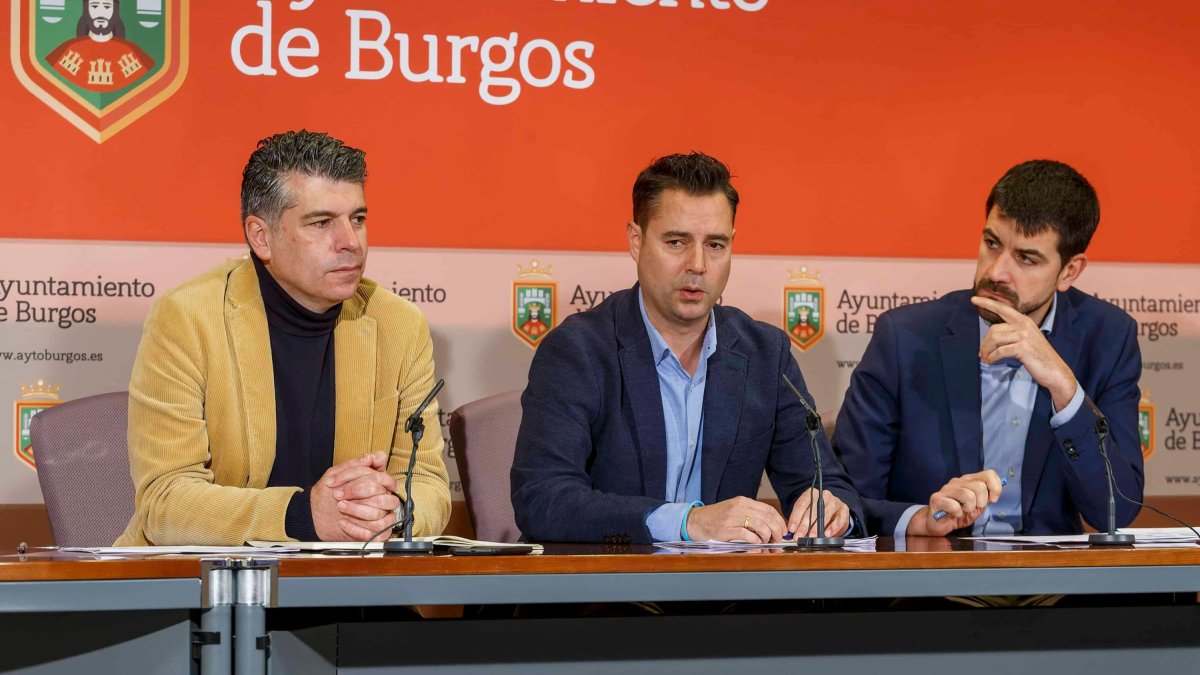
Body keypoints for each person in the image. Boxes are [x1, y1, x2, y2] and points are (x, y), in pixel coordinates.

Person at [115, 130, 451, 546]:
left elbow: (431, 485)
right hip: (209, 586)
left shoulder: (397, 323)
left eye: (358, 219)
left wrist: (393, 512)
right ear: (261, 237)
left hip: (352, 587)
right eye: (321, 222)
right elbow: (165, 503)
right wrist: (303, 517)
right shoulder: (187, 318)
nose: (351, 243)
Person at [511, 152, 864, 544]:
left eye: (715, 245)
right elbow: (543, 499)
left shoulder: (766, 353)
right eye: (676, 242)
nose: (697, 264)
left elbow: (826, 483)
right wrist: (687, 523)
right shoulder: (579, 350)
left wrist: (831, 511)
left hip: (731, 597)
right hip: (609, 593)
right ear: (636, 240)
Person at [835, 159, 1143, 538]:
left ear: (1069, 271)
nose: (997, 271)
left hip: (1054, 583)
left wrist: (1065, 388)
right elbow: (844, 502)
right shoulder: (904, 338)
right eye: (992, 243)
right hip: (936, 578)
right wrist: (919, 518)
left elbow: (1119, 510)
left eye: (1026, 259)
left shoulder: (1108, 338)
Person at [46, 0, 155, 93]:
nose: (101, 13)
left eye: (107, 7)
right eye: (94, 6)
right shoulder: (67, 49)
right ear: (86, 10)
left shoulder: (132, 52)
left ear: (115, 11)